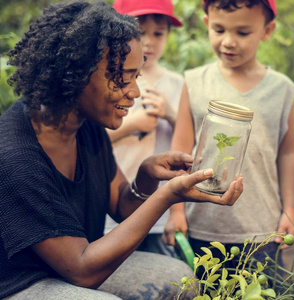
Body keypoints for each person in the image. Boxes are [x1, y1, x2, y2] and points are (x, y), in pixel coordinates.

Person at [0, 1, 243, 299]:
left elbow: (121, 206)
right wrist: (169, 195)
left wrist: (146, 178)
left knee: (180, 279)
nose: (134, 92)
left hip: (71, 268)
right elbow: (83, 270)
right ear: (75, 73)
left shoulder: (85, 125)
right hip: (23, 284)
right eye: (121, 77)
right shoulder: (17, 156)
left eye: (135, 76)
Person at [163, 0, 294, 268]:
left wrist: (291, 211)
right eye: (219, 29)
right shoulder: (194, 82)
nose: (228, 41)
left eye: (242, 32)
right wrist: (176, 210)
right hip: (199, 225)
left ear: (267, 30)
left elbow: (288, 153)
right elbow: (179, 149)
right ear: (206, 24)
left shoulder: (282, 90)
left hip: (261, 230)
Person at [106, 0, 186, 257]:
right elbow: (93, 138)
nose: (149, 41)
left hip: (158, 211)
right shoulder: (109, 81)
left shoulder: (178, 85)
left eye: (158, 33)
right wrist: (133, 124)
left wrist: (170, 115)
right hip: (113, 206)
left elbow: (190, 138)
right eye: (140, 32)